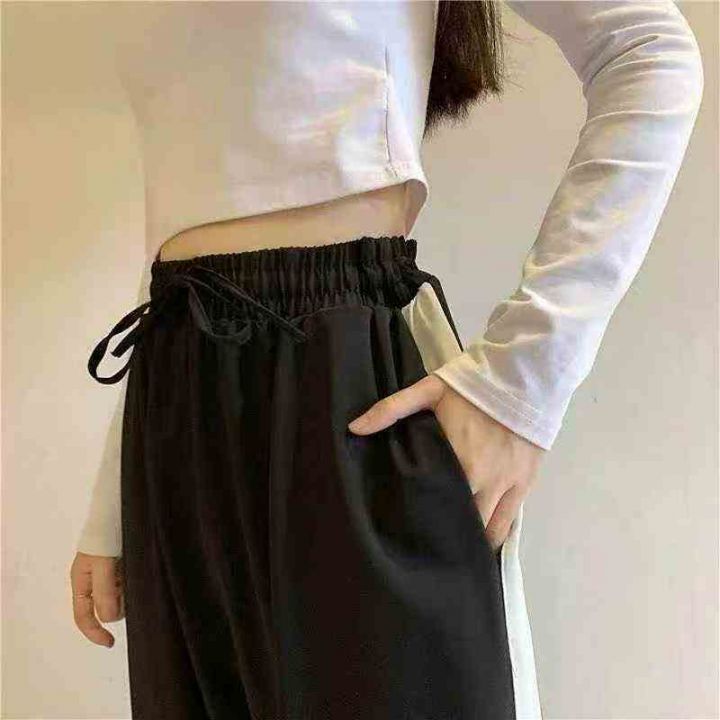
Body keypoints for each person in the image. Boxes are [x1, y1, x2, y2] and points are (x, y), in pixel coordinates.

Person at [69, 2, 704, 718]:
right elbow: (182, 254)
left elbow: (647, 49)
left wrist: (522, 383)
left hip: (346, 383)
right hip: (175, 398)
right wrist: (109, 508)